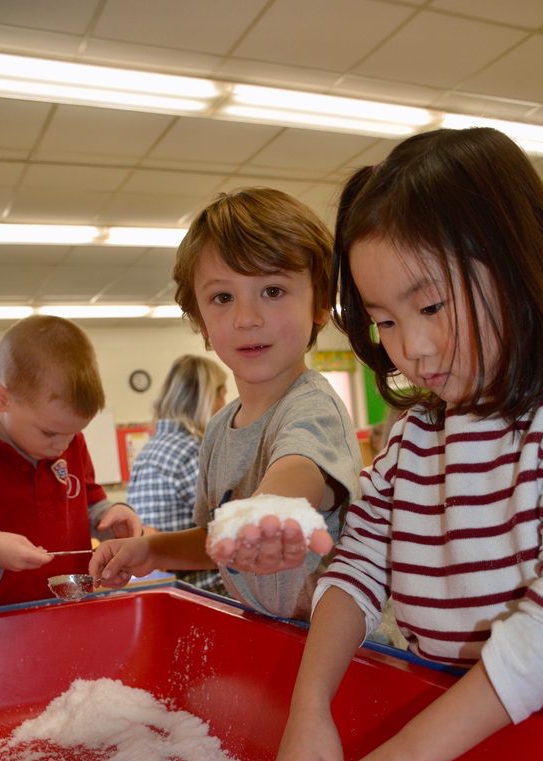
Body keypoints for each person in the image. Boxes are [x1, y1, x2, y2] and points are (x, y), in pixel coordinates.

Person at [274, 127, 543, 761]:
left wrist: (408, 757)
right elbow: (354, 570)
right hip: (476, 747)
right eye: (384, 321)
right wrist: (308, 708)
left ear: (518, 265)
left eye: (432, 306)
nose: (411, 348)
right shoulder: (415, 439)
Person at [90, 188, 361, 620]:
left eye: (272, 290)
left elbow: (299, 470)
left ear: (321, 302)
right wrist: (151, 549)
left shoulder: (313, 406)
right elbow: (216, 540)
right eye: (222, 297)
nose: (246, 318)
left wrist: (266, 511)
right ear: (200, 320)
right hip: (266, 631)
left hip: (336, 648)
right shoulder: (217, 429)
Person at [0, 314, 143, 609]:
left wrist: (112, 515)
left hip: (70, 613)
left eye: (73, 432)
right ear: (2, 398)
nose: (62, 447)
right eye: (49, 432)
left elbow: (88, 501)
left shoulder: (68, 441)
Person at [127, 354, 228, 595]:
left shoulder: (150, 451)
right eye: (222, 393)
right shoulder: (193, 454)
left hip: (164, 590)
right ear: (205, 399)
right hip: (206, 593)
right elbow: (230, 532)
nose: (226, 403)